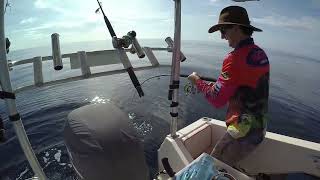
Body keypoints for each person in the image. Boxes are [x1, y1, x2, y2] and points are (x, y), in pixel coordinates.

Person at [188, 6, 270, 167]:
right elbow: (243, 84)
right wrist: (220, 85)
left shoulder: (234, 59)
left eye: (224, 30)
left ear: (237, 28)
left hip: (242, 132)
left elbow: (216, 99)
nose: (222, 37)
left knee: (211, 167)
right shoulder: (259, 54)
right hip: (259, 127)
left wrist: (197, 81)